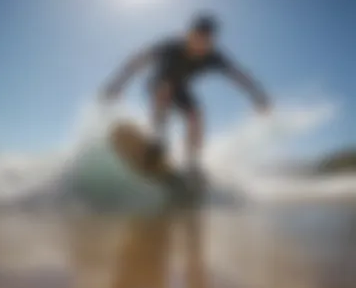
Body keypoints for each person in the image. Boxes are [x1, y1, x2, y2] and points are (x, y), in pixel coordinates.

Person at [101, 13, 271, 181]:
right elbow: (138, 60)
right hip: (158, 83)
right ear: (189, 34)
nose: (200, 45)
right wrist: (117, 84)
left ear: (211, 42)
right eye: (197, 37)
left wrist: (258, 95)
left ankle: (192, 164)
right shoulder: (170, 46)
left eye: (206, 41)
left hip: (181, 89)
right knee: (164, 89)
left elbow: (238, 75)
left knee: (196, 114)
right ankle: (158, 139)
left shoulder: (214, 57)